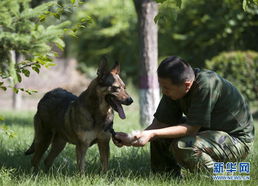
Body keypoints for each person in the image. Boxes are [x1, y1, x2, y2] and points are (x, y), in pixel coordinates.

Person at [112, 56, 254, 177]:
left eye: (166, 88)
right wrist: (135, 137)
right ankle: (166, 177)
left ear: (186, 85)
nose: (163, 91)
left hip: (236, 140)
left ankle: (221, 177)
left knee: (184, 145)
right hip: (208, 132)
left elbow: (191, 129)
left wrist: (152, 133)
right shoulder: (175, 89)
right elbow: (161, 123)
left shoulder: (206, 84)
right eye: (162, 87)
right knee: (159, 135)